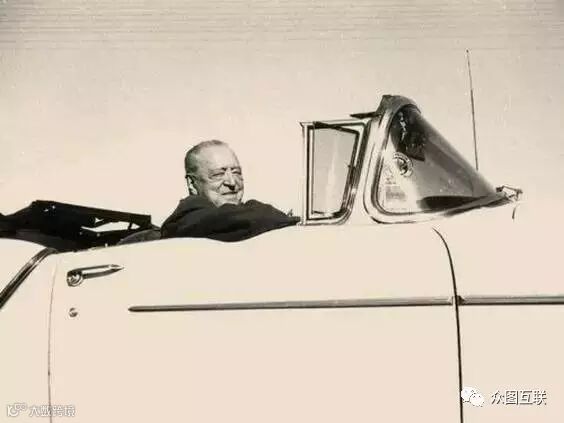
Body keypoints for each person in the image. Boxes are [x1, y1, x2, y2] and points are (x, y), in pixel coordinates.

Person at [161, 140, 299, 241]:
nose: (232, 182)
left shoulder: (251, 218)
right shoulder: (185, 221)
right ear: (192, 183)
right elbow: (229, 219)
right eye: (218, 174)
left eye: (236, 172)